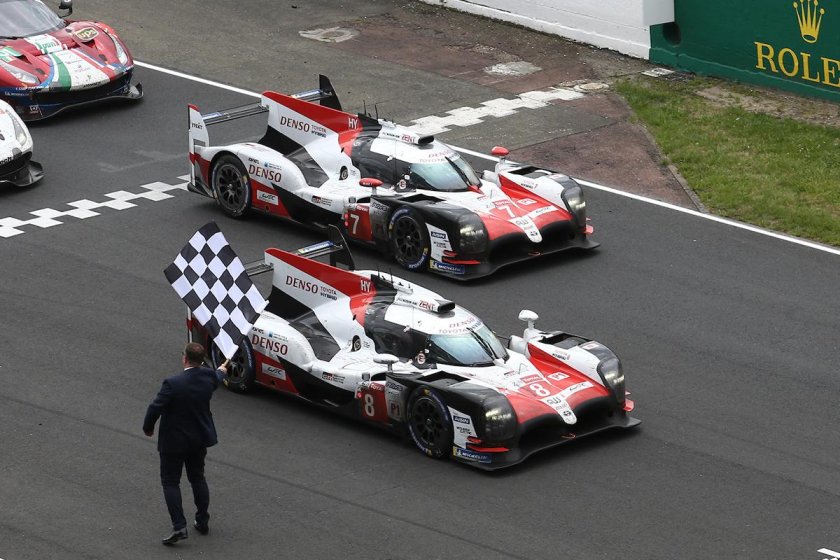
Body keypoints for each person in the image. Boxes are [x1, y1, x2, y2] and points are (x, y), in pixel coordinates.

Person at [142, 342, 229, 546]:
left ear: (185, 358)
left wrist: (148, 427)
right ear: (201, 360)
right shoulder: (209, 377)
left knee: (171, 482)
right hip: (198, 439)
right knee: (197, 478)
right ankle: (202, 520)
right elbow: (217, 377)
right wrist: (222, 371)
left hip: (173, 441)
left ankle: (179, 525)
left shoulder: (173, 383)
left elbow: (155, 407)